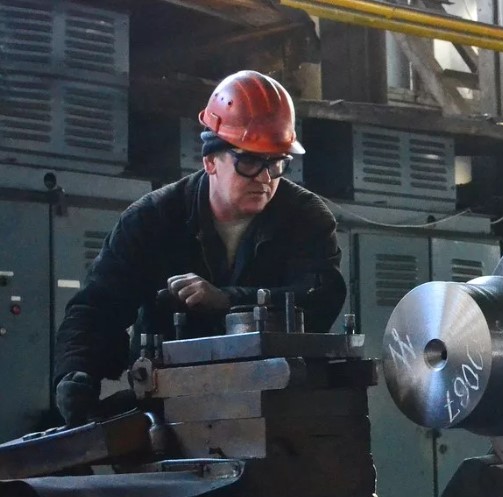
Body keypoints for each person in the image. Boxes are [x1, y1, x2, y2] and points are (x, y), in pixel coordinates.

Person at [54, 70, 346, 427]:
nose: (265, 178)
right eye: (249, 161)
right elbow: (98, 306)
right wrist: (75, 373)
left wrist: (227, 300)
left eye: (276, 162)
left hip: (274, 407)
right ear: (210, 161)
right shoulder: (153, 219)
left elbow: (320, 297)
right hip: (170, 408)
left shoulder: (306, 216)